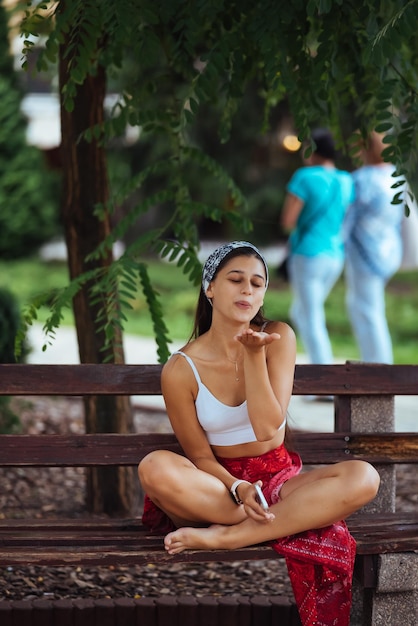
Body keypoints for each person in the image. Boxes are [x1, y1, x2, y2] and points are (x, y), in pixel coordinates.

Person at [138, 241, 380, 626]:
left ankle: (229, 536)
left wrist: (253, 356)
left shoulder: (277, 338)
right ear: (210, 288)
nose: (247, 290)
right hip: (220, 490)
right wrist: (237, 487)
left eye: (257, 282)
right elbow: (200, 458)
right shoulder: (180, 369)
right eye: (236, 280)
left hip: (280, 481)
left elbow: (269, 427)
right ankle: (283, 521)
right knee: (154, 468)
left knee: (364, 477)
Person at [280, 129, 355, 366]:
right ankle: (314, 368)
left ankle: (325, 378)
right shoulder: (346, 180)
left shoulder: (305, 177)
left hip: (308, 253)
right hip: (335, 255)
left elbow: (288, 221)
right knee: (302, 313)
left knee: (310, 317)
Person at [344, 131, 404, 363]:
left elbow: (347, 218)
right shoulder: (396, 175)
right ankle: (377, 366)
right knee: (371, 309)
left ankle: (377, 369)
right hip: (389, 250)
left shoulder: (362, 179)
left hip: (365, 252)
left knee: (366, 311)